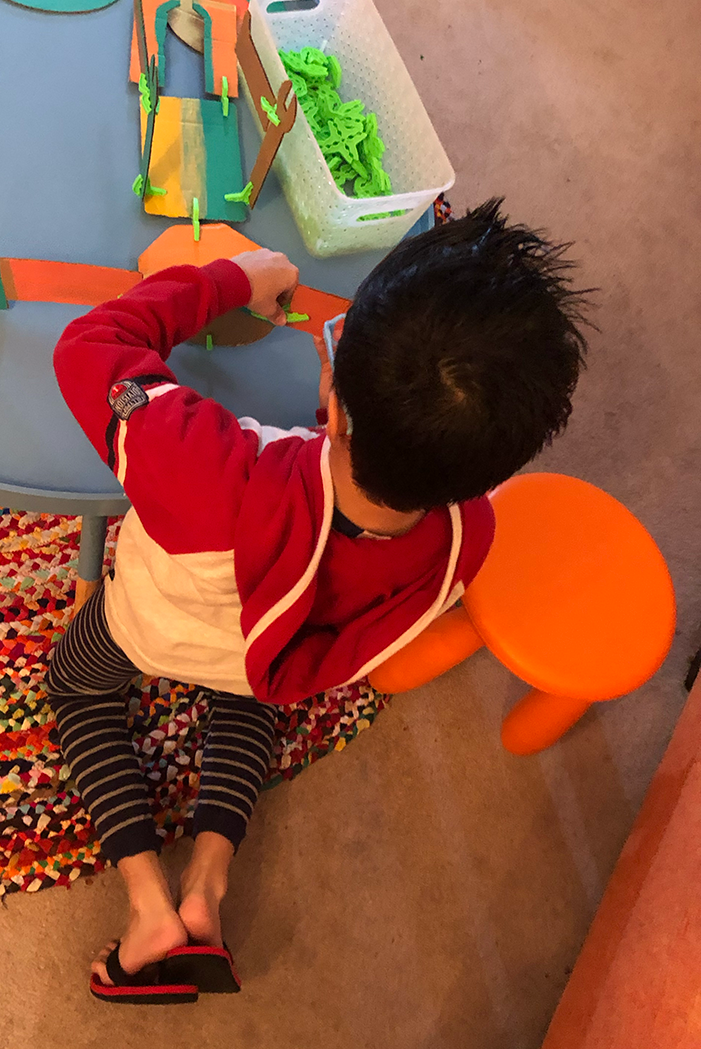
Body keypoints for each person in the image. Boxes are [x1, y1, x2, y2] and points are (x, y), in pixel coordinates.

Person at [49, 199, 591, 1002]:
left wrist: (231, 280)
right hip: (269, 659)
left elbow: (90, 345)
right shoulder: (469, 535)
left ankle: (147, 897)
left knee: (74, 684)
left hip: (151, 630)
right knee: (250, 700)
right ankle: (207, 882)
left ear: (333, 405)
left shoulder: (208, 473)